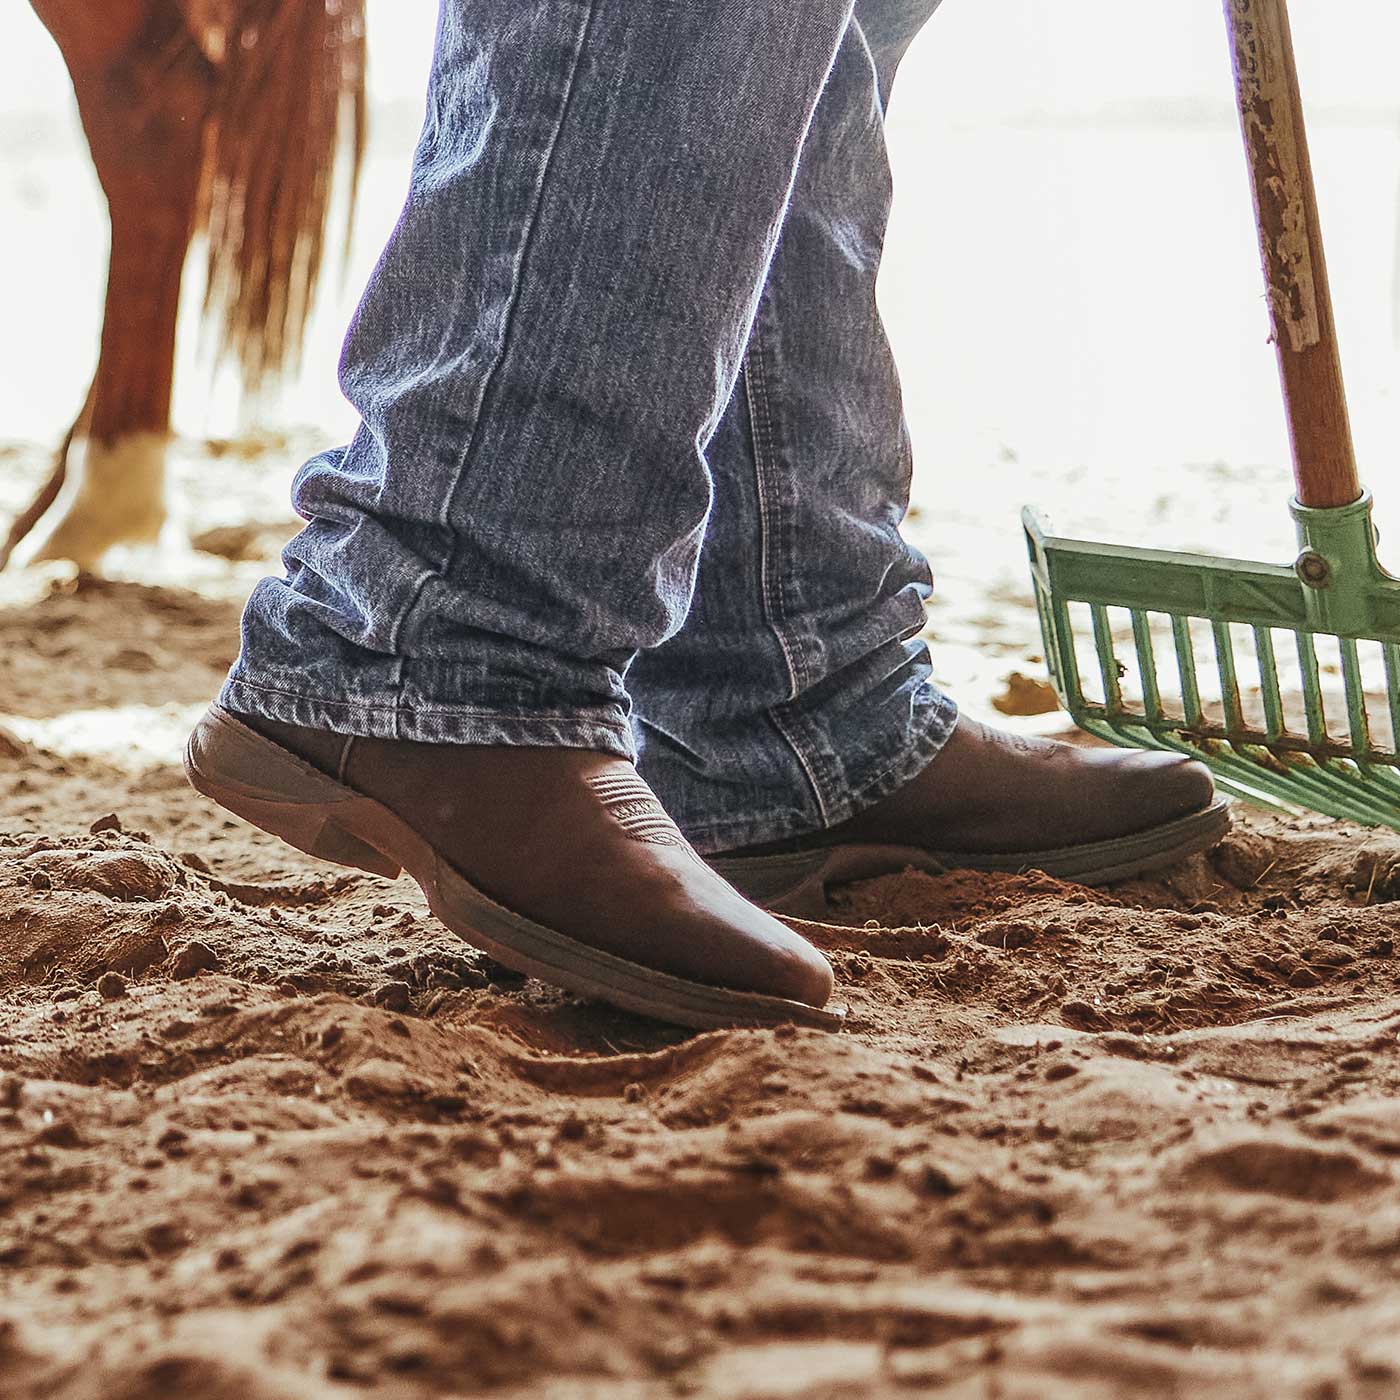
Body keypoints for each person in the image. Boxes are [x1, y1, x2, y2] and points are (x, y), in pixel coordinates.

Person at [186, 0, 1227, 1030]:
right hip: (449, 653)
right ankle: (445, 641)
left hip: (791, 682)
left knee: (821, 30)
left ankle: (785, 699)